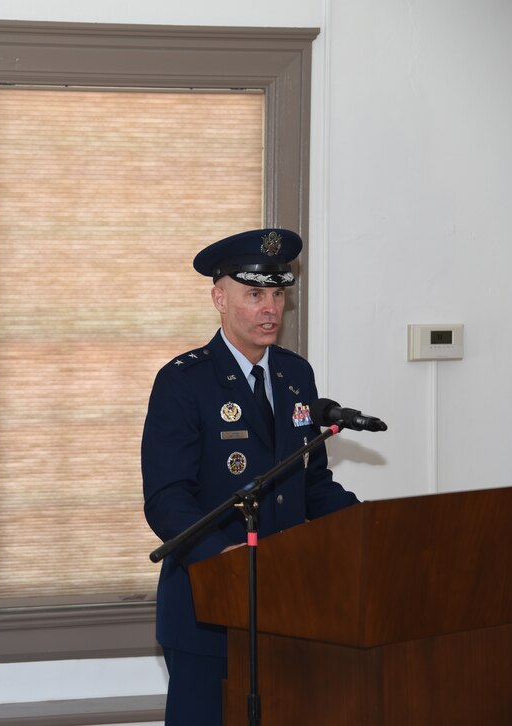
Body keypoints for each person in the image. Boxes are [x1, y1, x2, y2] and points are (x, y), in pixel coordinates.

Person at [141, 228, 358, 725]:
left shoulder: (295, 374)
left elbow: (312, 482)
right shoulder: (184, 381)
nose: (270, 308)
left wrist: (366, 527)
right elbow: (167, 498)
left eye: (278, 294)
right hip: (209, 607)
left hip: (289, 603)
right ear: (220, 298)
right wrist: (222, 558)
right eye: (254, 294)